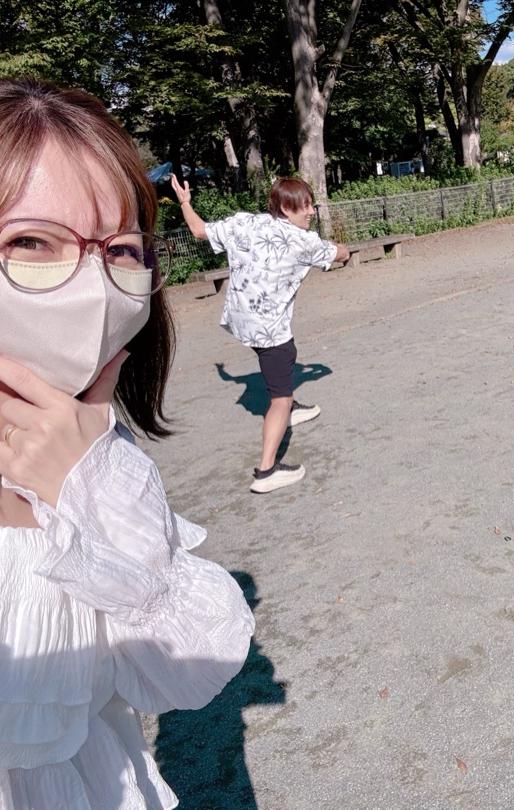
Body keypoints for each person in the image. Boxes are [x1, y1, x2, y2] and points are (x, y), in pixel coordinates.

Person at [0, 79, 254, 808]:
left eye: (119, 249)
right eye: (30, 242)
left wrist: (92, 484)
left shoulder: (103, 462)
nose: (92, 285)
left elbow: (186, 667)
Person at [171, 174, 349, 494]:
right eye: (305, 206)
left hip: (242, 321)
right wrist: (344, 252)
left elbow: (198, 230)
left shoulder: (245, 223)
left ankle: (291, 406)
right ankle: (267, 470)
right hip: (269, 330)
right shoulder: (303, 241)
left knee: (284, 359)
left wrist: (184, 202)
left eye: (311, 205)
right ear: (286, 208)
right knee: (279, 391)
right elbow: (339, 254)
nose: (311, 212)